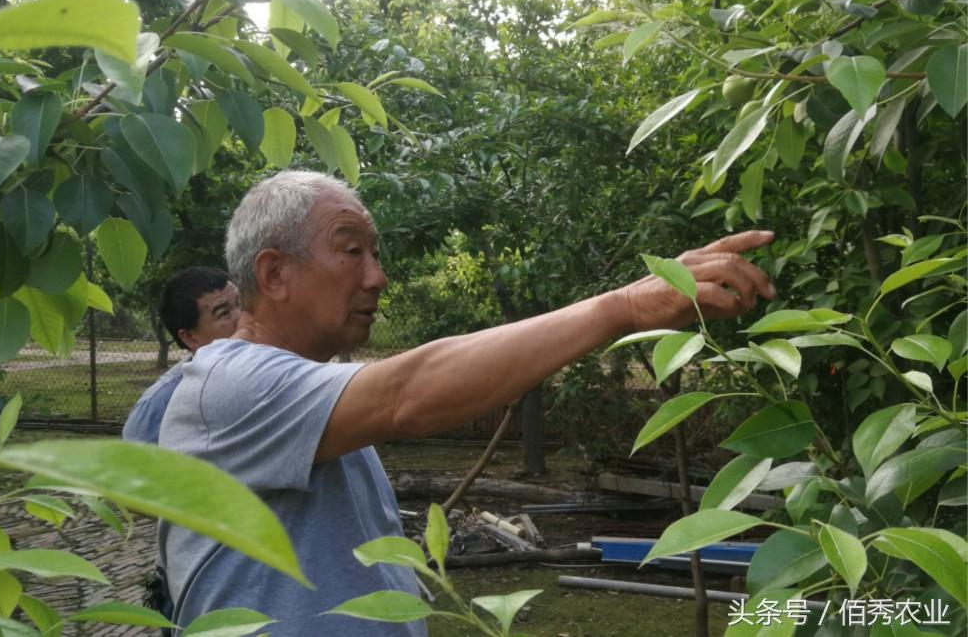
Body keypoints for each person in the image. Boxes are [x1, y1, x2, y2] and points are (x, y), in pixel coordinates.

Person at [158, 170, 776, 635]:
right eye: (352, 251)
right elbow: (411, 392)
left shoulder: (309, 396)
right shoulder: (231, 385)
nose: (377, 277)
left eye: (376, 254)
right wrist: (625, 308)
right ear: (273, 275)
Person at [122, 267, 241, 445]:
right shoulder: (158, 406)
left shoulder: (276, 366)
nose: (242, 317)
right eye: (224, 313)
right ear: (190, 337)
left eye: (242, 304)